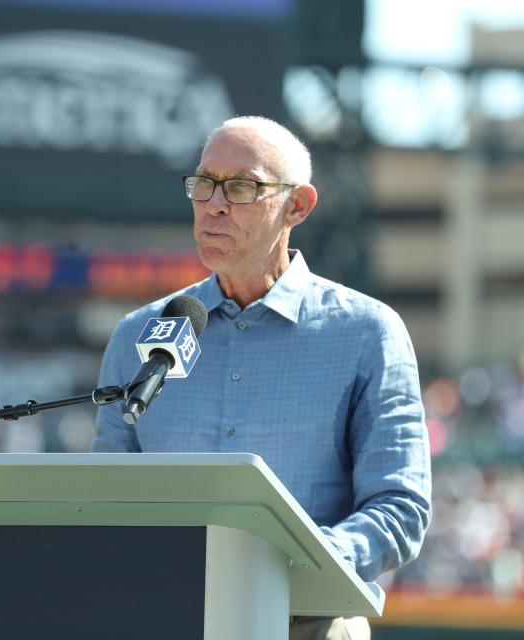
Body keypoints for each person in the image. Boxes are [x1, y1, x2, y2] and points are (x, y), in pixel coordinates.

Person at [93, 116, 431, 639]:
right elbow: (104, 499)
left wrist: (296, 561)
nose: (215, 204)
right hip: (165, 619)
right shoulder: (140, 334)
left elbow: (400, 507)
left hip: (308, 623)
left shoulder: (368, 333)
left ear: (297, 205)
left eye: (243, 186)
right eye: (204, 183)